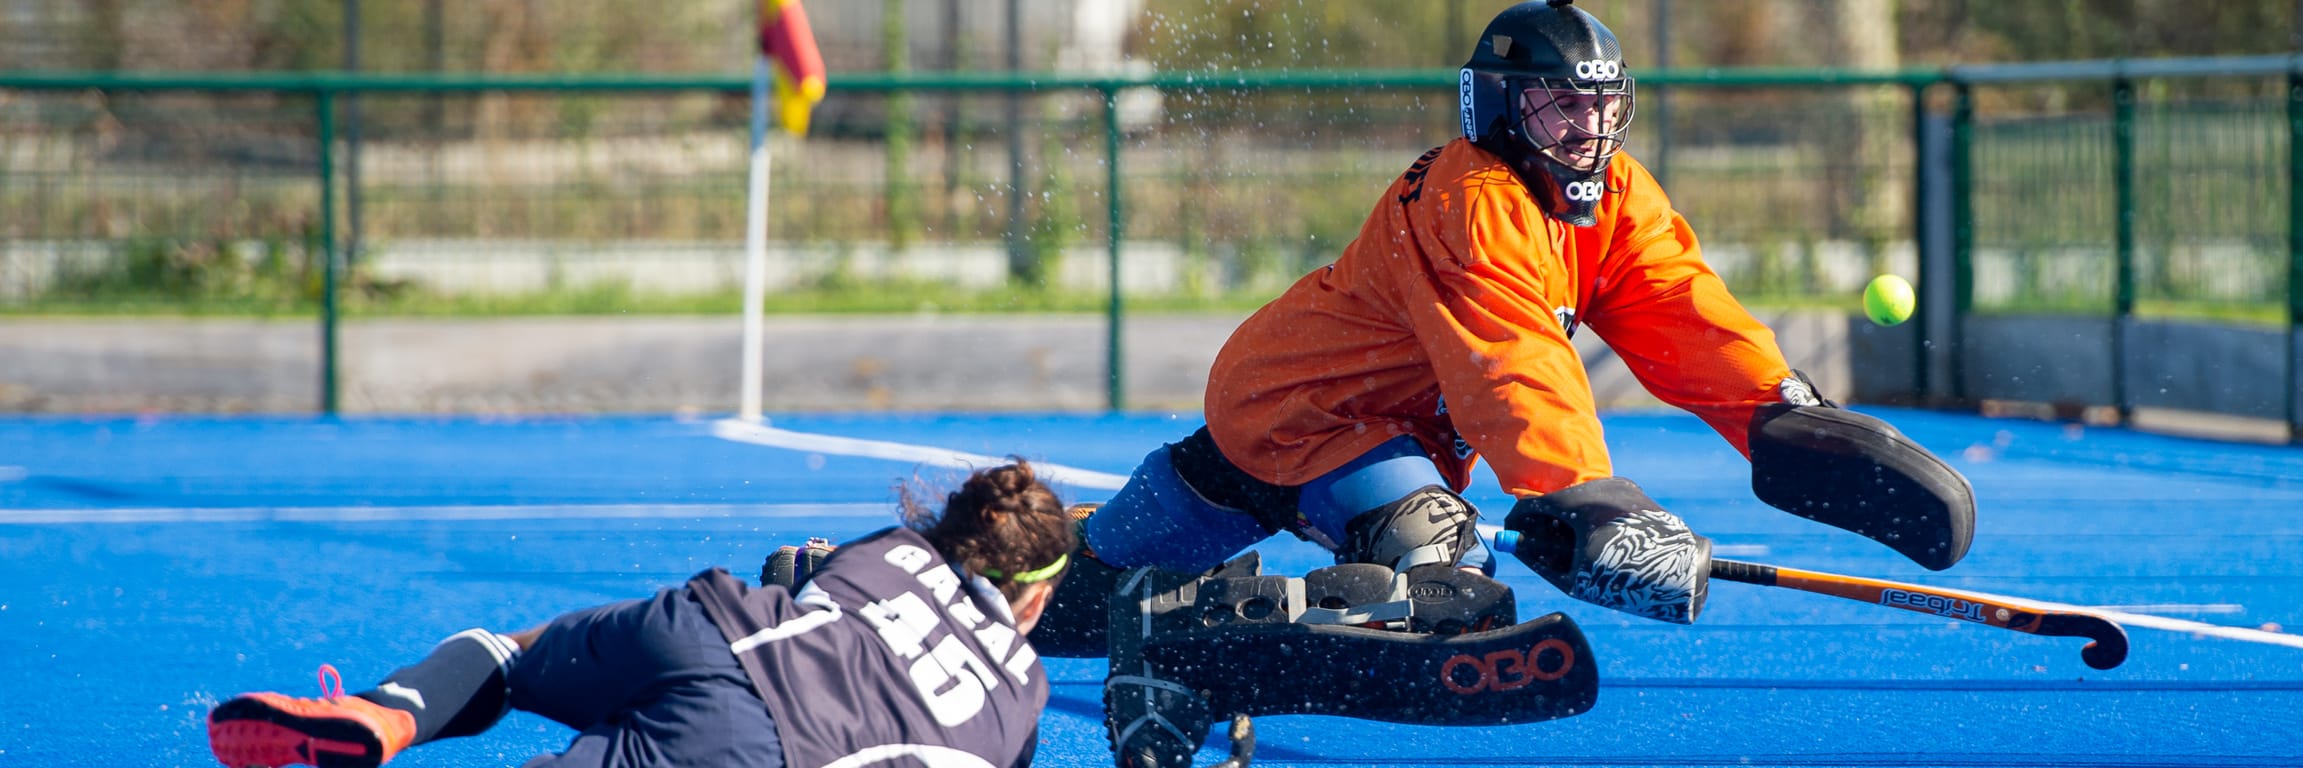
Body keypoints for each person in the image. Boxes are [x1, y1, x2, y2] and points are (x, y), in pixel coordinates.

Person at [1035, 0, 1972, 656]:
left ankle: (1087, 580)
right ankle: (1219, 634)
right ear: (1497, 107)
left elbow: (1677, 304)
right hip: (1309, 413)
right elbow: (1509, 355)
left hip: (1372, 430)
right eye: (1559, 105)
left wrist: (1771, 412)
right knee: (1441, 575)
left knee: (1069, 602)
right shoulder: (1469, 196)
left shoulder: (1614, 195)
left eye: (1601, 106)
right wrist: (1584, 498)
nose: (1584, 129)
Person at [206, 461, 1077, 768]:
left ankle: (380, 712)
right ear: (1036, 594)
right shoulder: (1021, 695)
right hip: (768, 742)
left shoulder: (893, 546)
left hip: (713, 626)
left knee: (510, 655)